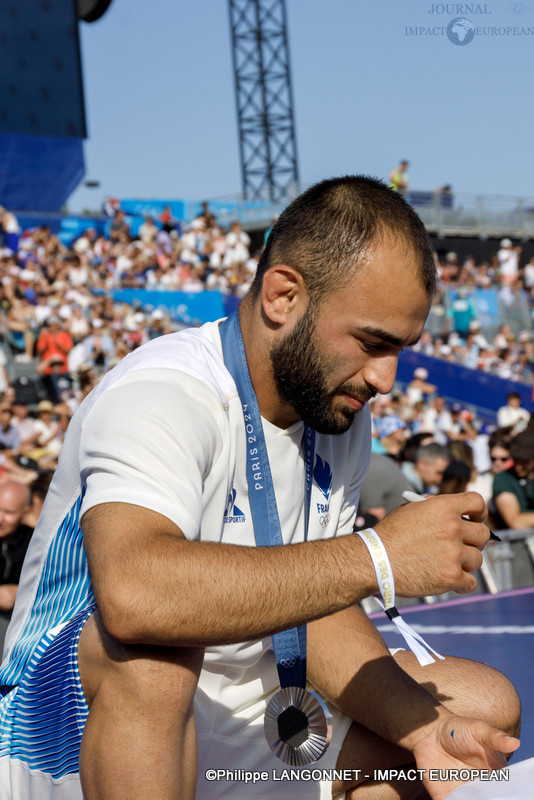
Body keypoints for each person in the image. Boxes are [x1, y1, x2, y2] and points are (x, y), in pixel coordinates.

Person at [0, 177, 520, 800]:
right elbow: (134, 596)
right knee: (156, 658)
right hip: (87, 721)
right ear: (283, 295)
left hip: (250, 714)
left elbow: (319, 604)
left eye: (402, 350)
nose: (387, 377)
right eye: (372, 343)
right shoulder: (163, 392)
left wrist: (430, 729)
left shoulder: (339, 410)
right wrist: (376, 555)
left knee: (482, 703)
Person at [0, 482, 32, 651]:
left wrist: (20, 591)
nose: (0, 518)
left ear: (25, 513)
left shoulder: (35, 542)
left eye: (8, 513)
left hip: (21, 626)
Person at [492, 428, 534, 529]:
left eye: (525, 461)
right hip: (516, 543)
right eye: (516, 459)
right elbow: (515, 522)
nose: (518, 466)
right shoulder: (503, 479)